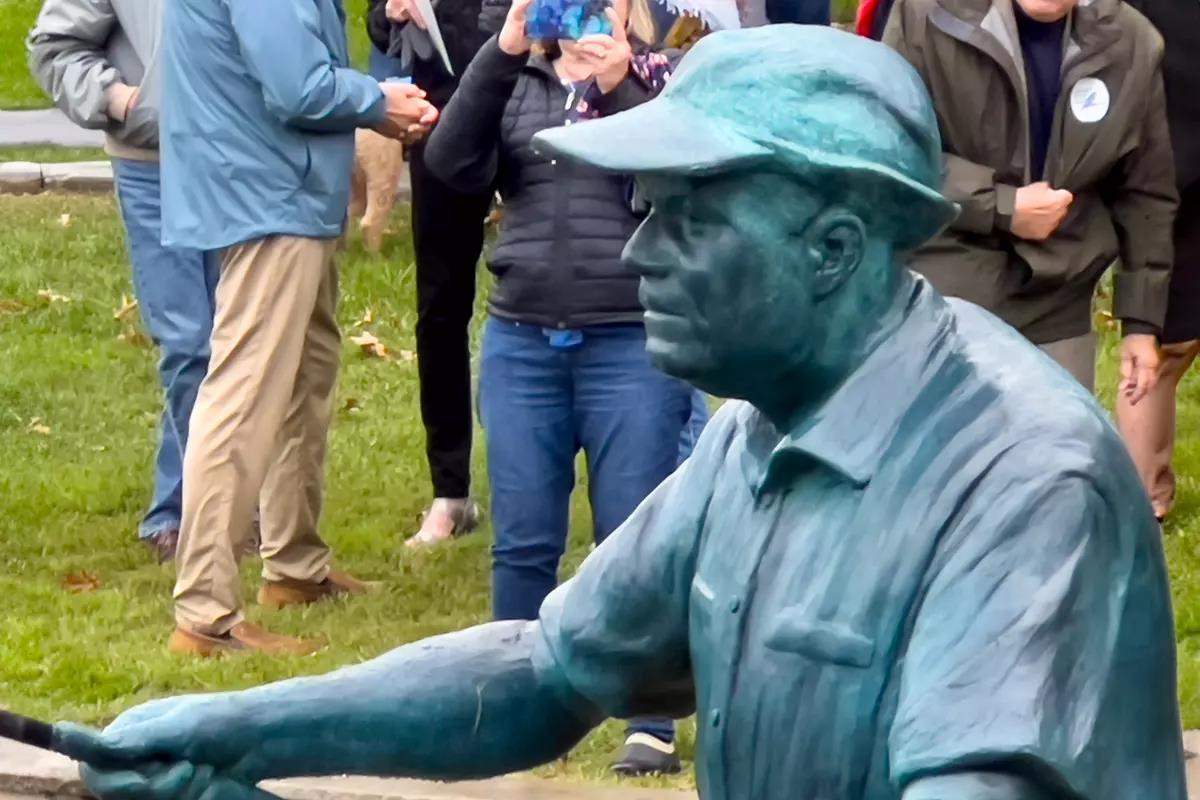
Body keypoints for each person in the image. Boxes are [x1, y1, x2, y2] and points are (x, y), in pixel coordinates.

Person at [64, 26, 1185, 800]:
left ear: (835, 249)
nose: (641, 251)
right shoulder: (759, 431)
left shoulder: (1027, 483)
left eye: (688, 220)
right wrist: (237, 726)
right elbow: (552, 668)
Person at [424, 0, 691, 774]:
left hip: (629, 343)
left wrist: (625, 93)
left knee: (634, 537)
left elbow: (679, 175)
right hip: (524, 342)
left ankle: (650, 721)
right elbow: (448, 162)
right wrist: (502, 49)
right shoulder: (516, 79)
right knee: (525, 540)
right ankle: (518, 709)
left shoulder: (660, 78)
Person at [157, 0, 437, 657]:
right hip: (267, 198)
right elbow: (297, 87)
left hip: (290, 193)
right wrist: (378, 98)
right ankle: (205, 617)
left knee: (303, 380)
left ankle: (295, 567)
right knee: (244, 400)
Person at [883, 0, 1176, 400]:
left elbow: (1145, 190)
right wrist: (1001, 207)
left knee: (1055, 455)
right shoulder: (927, 14)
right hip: (948, 294)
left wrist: (1141, 322)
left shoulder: (1131, 42)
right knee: (952, 454)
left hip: (1059, 306)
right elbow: (892, 146)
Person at [27, 0, 218, 565]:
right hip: (150, 164)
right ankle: (184, 513)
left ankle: (218, 504)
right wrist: (122, 101)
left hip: (245, 161)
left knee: (243, 338)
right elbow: (54, 47)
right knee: (189, 341)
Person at [366, 0, 494, 547]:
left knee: (569, 284)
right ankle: (451, 494)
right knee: (440, 308)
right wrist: (392, 12)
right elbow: (376, 23)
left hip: (540, 104)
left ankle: (585, 484)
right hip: (445, 119)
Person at [1115, 0, 1200, 522]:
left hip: (1172, 165)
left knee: (1161, 341)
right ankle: (1144, 499)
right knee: (1158, 342)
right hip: (1170, 171)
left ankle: (1145, 497)